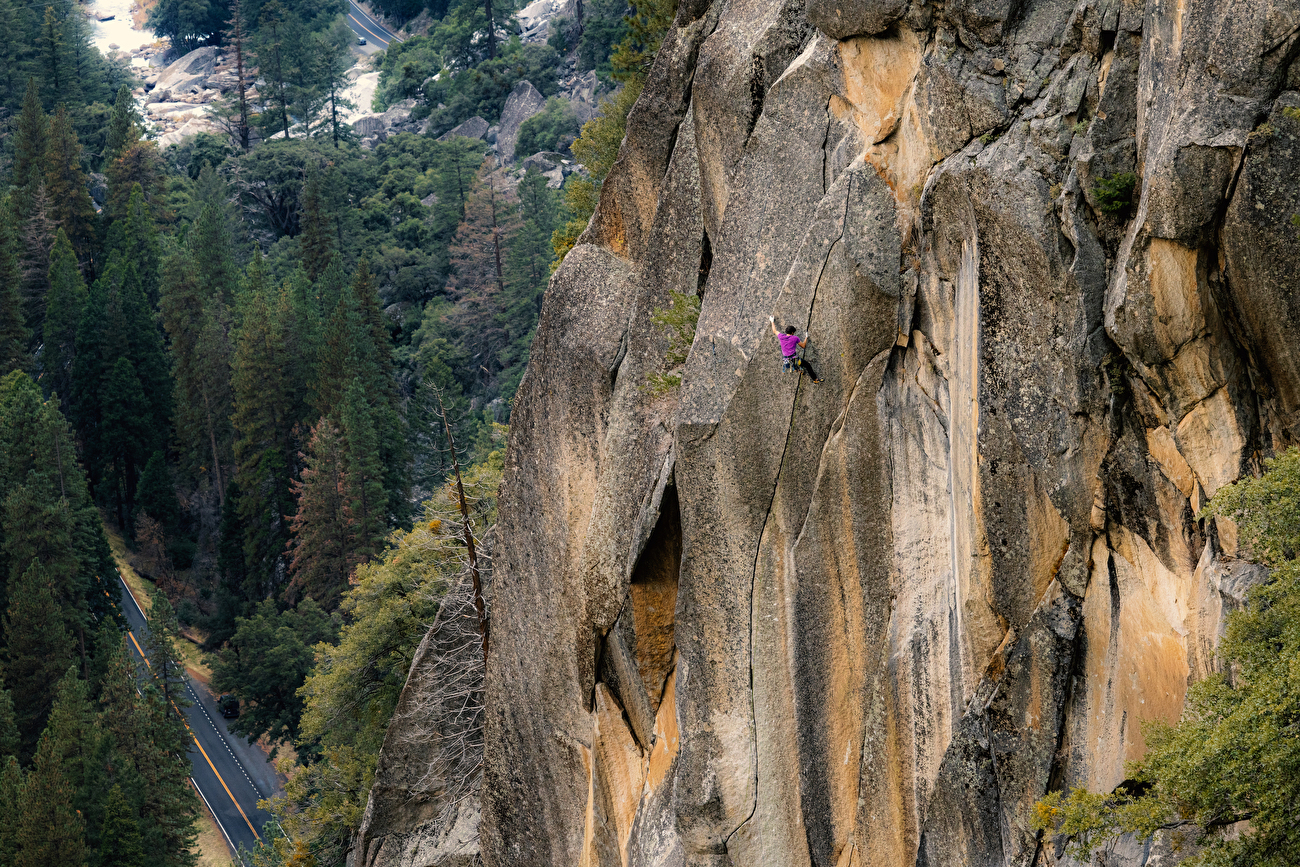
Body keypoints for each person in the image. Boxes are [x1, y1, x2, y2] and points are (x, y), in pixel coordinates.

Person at [769, 316, 822, 383]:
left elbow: (774, 331)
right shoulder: (794, 338)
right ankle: (815, 379)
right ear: (792, 332)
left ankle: (800, 370)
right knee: (807, 365)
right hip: (794, 358)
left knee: (795, 364)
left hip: (786, 359)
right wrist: (806, 337)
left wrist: (772, 321)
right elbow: (803, 346)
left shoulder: (781, 336)